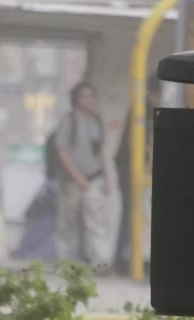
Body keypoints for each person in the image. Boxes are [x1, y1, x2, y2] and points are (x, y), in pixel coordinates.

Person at [55, 81, 111, 266]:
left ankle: (99, 261)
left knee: (96, 220)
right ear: (77, 99)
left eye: (92, 96)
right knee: (68, 220)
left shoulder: (96, 121)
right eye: (86, 96)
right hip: (72, 181)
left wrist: (106, 178)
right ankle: (64, 260)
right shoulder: (69, 121)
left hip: (94, 178)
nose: (90, 100)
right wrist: (77, 176)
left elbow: (101, 152)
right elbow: (62, 150)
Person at [113, 73, 161, 275]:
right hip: (131, 170)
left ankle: (134, 260)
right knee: (130, 216)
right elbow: (136, 143)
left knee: (139, 216)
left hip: (140, 170)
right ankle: (123, 261)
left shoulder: (148, 110)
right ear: (154, 92)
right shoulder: (142, 111)